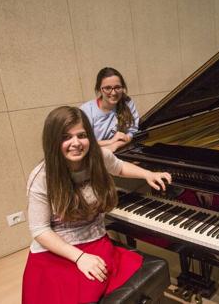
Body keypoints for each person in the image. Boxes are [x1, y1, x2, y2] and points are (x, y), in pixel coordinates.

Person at [22, 106, 171, 304]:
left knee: (90, 286)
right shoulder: (41, 176)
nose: (76, 143)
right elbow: (40, 230)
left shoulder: (97, 157)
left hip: (94, 239)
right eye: (66, 137)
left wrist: (148, 174)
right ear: (53, 141)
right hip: (55, 249)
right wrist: (80, 258)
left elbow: (119, 167)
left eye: (81, 135)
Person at [80, 67, 139, 152]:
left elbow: (131, 132)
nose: (114, 93)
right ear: (99, 89)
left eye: (117, 87)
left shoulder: (127, 103)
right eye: (107, 88)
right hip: (95, 155)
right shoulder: (86, 110)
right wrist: (111, 142)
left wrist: (115, 145)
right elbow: (83, 141)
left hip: (121, 151)